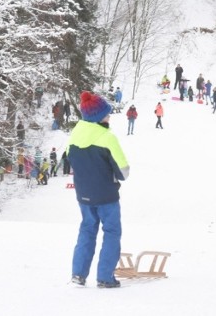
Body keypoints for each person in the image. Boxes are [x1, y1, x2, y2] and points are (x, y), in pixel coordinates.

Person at [67, 91, 130, 288]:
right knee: (111, 232)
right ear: (97, 117)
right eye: (107, 113)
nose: (109, 116)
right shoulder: (107, 137)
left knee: (87, 230)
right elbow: (123, 172)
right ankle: (104, 277)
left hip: (83, 195)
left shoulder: (74, 135)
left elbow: (72, 161)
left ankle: (78, 275)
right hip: (106, 196)